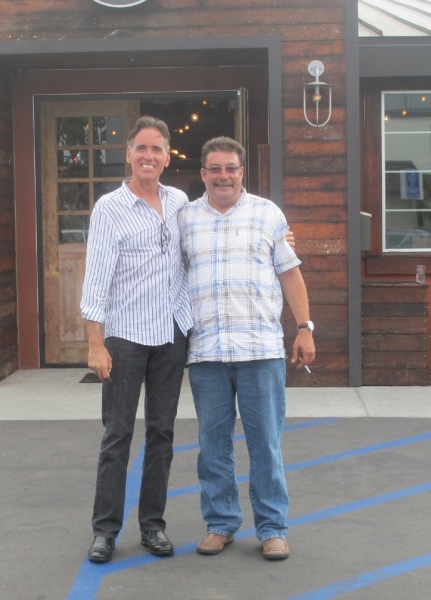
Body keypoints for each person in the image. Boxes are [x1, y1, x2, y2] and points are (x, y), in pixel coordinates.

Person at [178, 136, 316, 561]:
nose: (223, 176)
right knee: (212, 446)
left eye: (231, 168)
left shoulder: (267, 214)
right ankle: (220, 524)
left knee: (266, 445)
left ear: (241, 172)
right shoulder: (185, 219)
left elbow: (290, 274)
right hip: (207, 352)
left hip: (260, 349)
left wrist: (305, 328)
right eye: (215, 169)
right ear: (203, 174)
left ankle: (272, 529)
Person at [80, 116, 193, 563]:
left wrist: (280, 236)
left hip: (171, 333)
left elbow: (211, 235)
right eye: (141, 148)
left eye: (157, 149)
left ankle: (153, 526)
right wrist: (96, 343)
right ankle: (105, 531)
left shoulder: (180, 201)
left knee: (162, 433)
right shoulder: (110, 208)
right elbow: (96, 280)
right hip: (125, 337)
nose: (149, 156)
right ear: (128, 154)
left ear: (167, 157)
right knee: (118, 434)